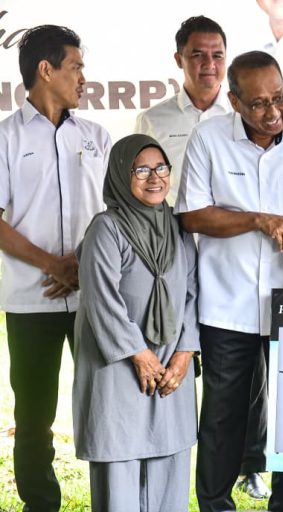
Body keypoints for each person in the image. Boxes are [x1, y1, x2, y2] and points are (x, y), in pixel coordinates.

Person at [176, 50, 283, 512]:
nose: (273, 112)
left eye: (280, 98)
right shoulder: (208, 138)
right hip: (226, 304)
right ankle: (214, 503)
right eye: (258, 103)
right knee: (222, 414)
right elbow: (192, 215)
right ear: (233, 101)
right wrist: (257, 219)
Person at [0, 25, 110, 511]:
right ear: (46, 70)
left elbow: (114, 216)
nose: (84, 77)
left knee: (106, 407)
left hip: (94, 299)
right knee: (34, 415)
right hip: (31, 298)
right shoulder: (5, 137)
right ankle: (40, 503)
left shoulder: (97, 136)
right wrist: (53, 265)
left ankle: (113, 498)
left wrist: (83, 266)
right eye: (76, 67)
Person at [73, 134, 199, 511]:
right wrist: (139, 355)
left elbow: (193, 293)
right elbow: (100, 299)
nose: (154, 177)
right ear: (120, 174)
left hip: (170, 365)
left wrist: (185, 354)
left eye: (161, 168)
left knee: (169, 460)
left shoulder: (178, 227)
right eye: (141, 170)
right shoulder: (106, 228)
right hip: (119, 363)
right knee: (120, 465)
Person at [134, 15, 231, 208]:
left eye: (217, 55)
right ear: (179, 60)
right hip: (173, 225)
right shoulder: (152, 120)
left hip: (235, 226)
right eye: (198, 55)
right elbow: (140, 184)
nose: (209, 63)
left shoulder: (243, 115)